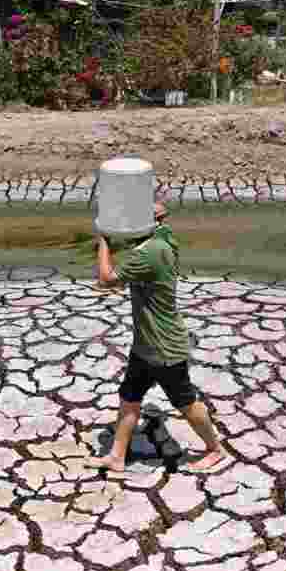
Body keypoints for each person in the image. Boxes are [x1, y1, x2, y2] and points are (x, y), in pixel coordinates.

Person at [86, 199, 232, 474]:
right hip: (145, 345)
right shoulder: (164, 238)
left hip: (164, 347)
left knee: (186, 402)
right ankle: (117, 456)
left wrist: (104, 239)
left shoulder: (150, 253)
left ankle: (215, 450)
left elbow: (106, 278)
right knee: (130, 397)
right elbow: (151, 226)